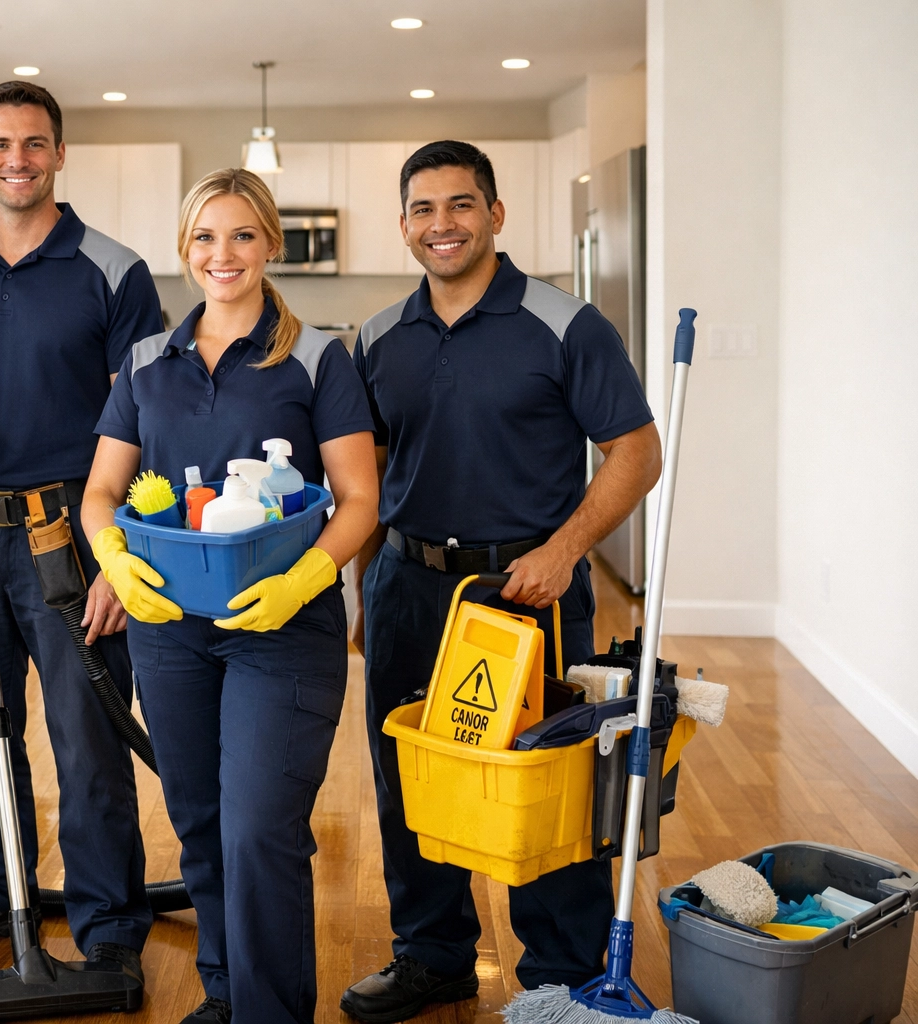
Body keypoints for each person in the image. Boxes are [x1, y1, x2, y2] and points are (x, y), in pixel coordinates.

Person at [340, 140, 662, 1022]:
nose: (441, 224)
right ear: (403, 223)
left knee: (546, 777)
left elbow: (638, 454)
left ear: (495, 214)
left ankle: (558, 971)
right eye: (423, 209)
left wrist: (564, 551)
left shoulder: (566, 324)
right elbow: (367, 479)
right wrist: (363, 591)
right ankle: (433, 954)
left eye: (460, 205)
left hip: (531, 589)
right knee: (414, 773)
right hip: (411, 585)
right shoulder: (377, 338)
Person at [82, 168, 379, 1024]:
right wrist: (115, 557)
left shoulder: (318, 356)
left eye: (242, 235)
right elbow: (102, 491)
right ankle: (227, 993)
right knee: (202, 820)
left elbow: (360, 496)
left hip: (281, 632)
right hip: (170, 632)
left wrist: (307, 578)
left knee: (258, 826)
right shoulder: (146, 363)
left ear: (271, 245)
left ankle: (269, 1013)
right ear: (184, 249)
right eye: (206, 237)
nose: (224, 254)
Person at [0, 81, 162, 986]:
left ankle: (108, 913)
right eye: (0, 144)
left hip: (71, 535)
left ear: (59, 154)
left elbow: (151, 421)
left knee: (88, 731)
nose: (17, 158)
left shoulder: (112, 269)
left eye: (34, 143)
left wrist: (120, 558)